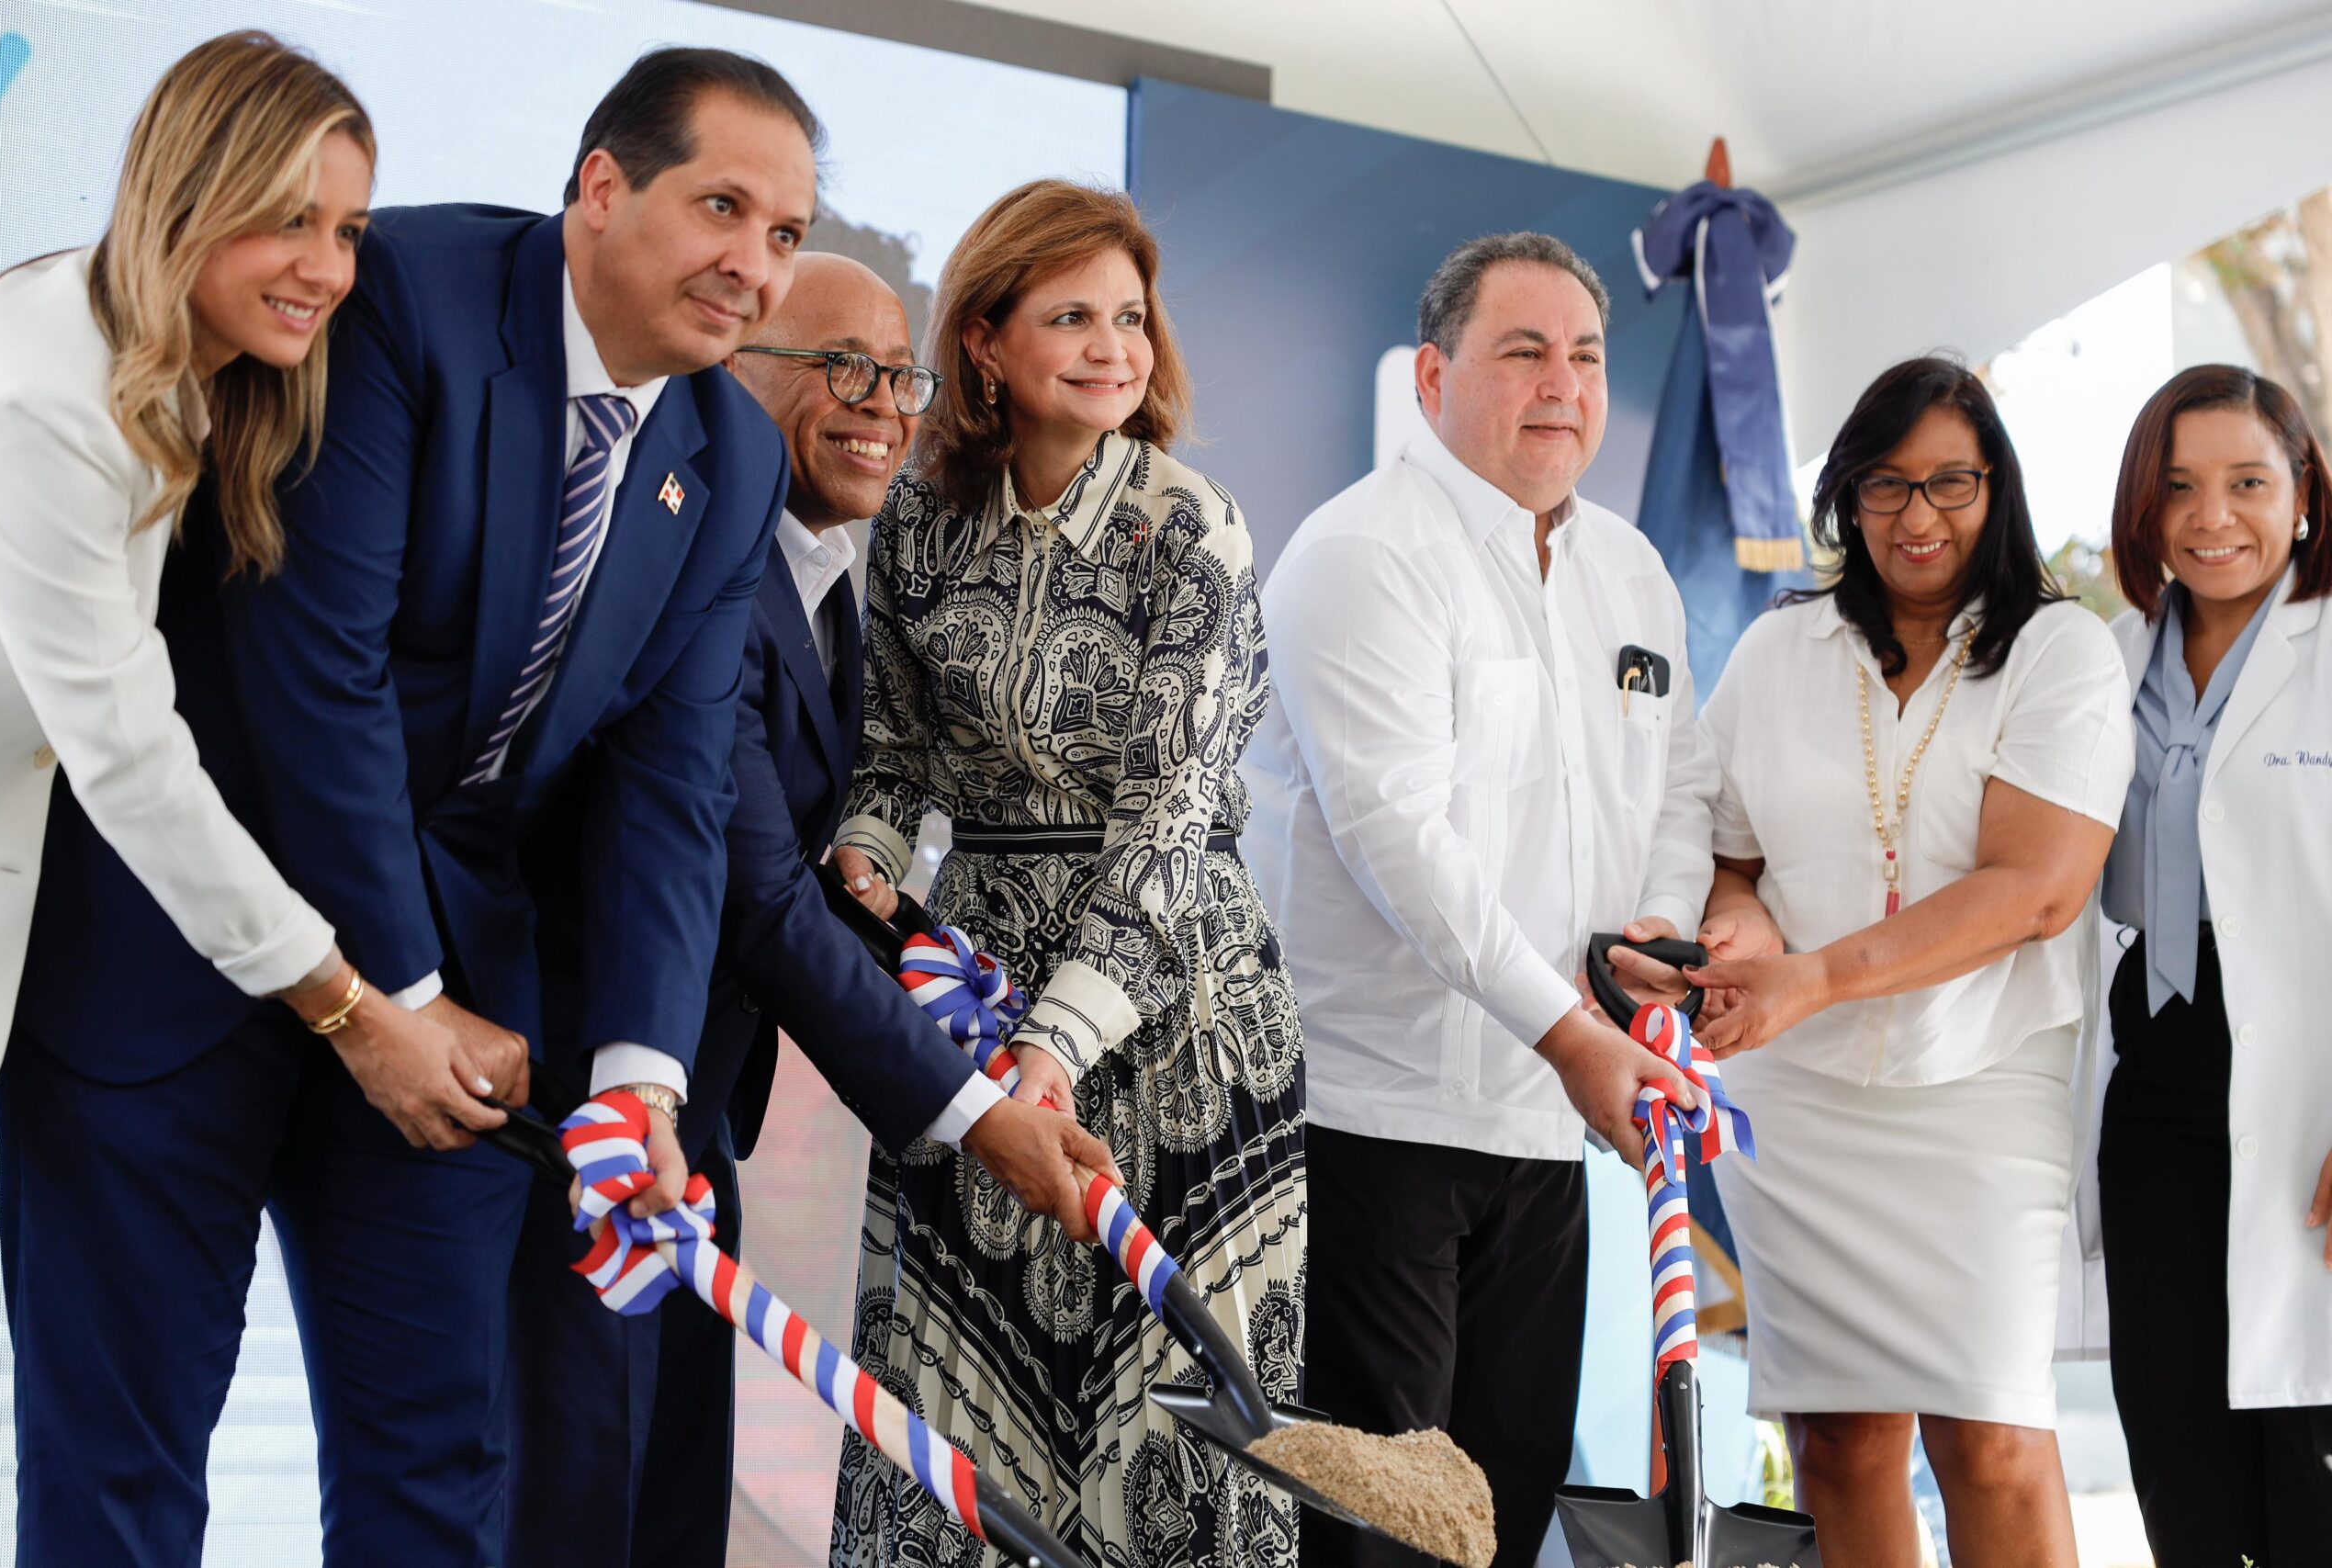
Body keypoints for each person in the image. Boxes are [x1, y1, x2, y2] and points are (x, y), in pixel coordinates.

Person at [9, 42, 811, 1568]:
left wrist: (639, 1082)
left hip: (450, 1018)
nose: (754, 266)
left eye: (785, 233)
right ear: (601, 188)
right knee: (118, 1481)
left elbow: (672, 787)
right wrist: (393, 998)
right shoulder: (403, 293)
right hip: (172, 960)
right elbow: (318, 673)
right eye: (723, 207)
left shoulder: (731, 457)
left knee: (439, 1472)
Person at [0, 33, 531, 1565]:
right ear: (187, 194)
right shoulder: (44, 393)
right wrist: (359, 1007)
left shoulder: (222, 381)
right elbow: (130, 761)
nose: (329, 270)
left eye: (348, 229)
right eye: (289, 221)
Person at [507, 249, 1117, 1568]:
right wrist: (977, 1116)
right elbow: (757, 895)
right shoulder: (693, 564)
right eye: (843, 367)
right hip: (590, 1125)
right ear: (732, 367)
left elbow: (806, 876)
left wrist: (935, 977)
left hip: (691, 1131)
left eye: (900, 375)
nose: (884, 406)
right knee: (575, 1508)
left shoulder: (827, 575)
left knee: (671, 1508)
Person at [825, 179, 1305, 1565]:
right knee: (944, 1421)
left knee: (1175, 1464)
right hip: (969, 1001)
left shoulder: (1192, 529)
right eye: (1072, 316)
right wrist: (862, 870)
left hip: (1174, 1011)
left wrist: (1050, 1053)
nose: (1113, 348)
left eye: (1131, 319)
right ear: (983, 340)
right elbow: (892, 761)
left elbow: (1172, 823)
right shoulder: (916, 520)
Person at [1243, 231, 1714, 1568]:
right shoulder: (1363, 553)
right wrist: (1575, 1036)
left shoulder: (1632, 570)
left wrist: (1649, 946)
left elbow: (1681, 786)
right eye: (1524, 351)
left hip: (1548, 1126)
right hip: (1372, 1121)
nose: (1562, 383)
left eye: (1587, 356)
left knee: (1505, 1507)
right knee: (1381, 1530)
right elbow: (1397, 837)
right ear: (1433, 377)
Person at [1652, 357, 2134, 1568]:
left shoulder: (2061, 651)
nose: (1919, 516)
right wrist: (1742, 929)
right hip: (1799, 1102)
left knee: (1993, 1438)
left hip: (1985, 1085)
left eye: (1950, 483)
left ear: (1996, 488)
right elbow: (1729, 858)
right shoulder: (1779, 651)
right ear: (1847, 497)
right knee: (1842, 1445)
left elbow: (2036, 890)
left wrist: (1813, 976)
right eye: (1886, 485)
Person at [2091, 365, 2332, 1565]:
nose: (2211, 517)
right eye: (2178, 487)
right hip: (2159, 1074)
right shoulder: (2106, 659)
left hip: (2308, 1079)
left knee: (2311, 1460)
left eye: (2248, 483)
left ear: (2306, 498)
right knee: (2179, 1452)